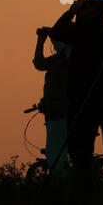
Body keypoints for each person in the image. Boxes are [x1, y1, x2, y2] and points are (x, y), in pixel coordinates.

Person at [50, 0, 103, 189]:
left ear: (90, 12)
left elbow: (57, 31)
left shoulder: (85, 30)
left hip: (83, 97)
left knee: (80, 148)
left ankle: (84, 188)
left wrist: (71, 11)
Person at [32, 26, 70, 178]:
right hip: (54, 113)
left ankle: (59, 182)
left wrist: (52, 34)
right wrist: (40, 41)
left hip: (62, 113)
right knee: (56, 151)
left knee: (56, 151)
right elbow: (39, 63)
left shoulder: (70, 59)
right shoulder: (57, 60)